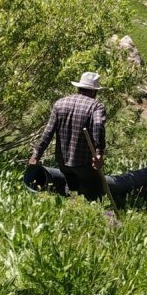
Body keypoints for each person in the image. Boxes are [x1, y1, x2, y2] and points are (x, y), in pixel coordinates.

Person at [28, 71, 107, 201]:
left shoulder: (60, 103)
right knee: (95, 190)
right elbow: (98, 127)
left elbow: (48, 132)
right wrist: (99, 152)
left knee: (71, 188)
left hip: (63, 161)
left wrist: (36, 155)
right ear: (94, 91)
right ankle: (95, 215)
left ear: (79, 87)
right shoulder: (96, 106)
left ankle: (71, 208)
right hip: (84, 162)